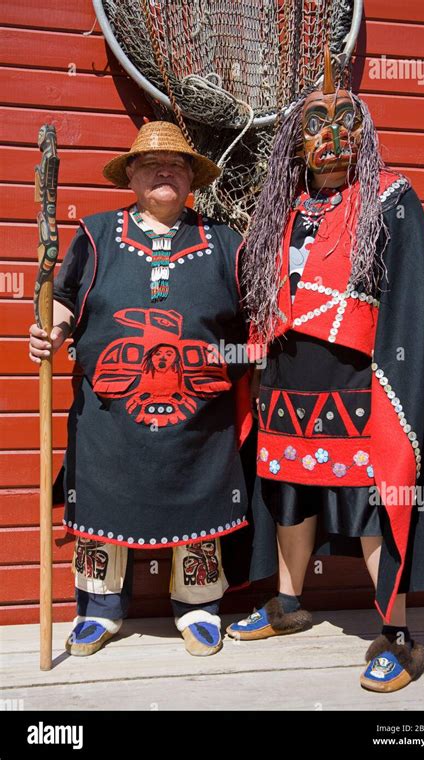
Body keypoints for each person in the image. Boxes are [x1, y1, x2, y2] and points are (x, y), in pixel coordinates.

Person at [227, 48, 424, 693]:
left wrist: (396, 382)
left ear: (364, 133)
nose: (331, 138)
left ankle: (399, 635)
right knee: (292, 493)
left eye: (345, 121)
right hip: (289, 380)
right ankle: (292, 603)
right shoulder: (280, 213)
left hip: (361, 381)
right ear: (294, 146)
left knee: (373, 501)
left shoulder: (389, 201)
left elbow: (409, 305)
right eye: (315, 126)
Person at [29, 120, 253, 658]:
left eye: (176, 165)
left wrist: (233, 367)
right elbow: (62, 298)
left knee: (199, 502)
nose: (164, 172)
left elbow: (252, 326)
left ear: (192, 179)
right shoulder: (96, 236)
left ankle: (199, 606)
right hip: (110, 418)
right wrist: (51, 331)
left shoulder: (225, 242)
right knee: (102, 504)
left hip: (200, 417)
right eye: (152, 165)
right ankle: (98, 610)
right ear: (131, 176)